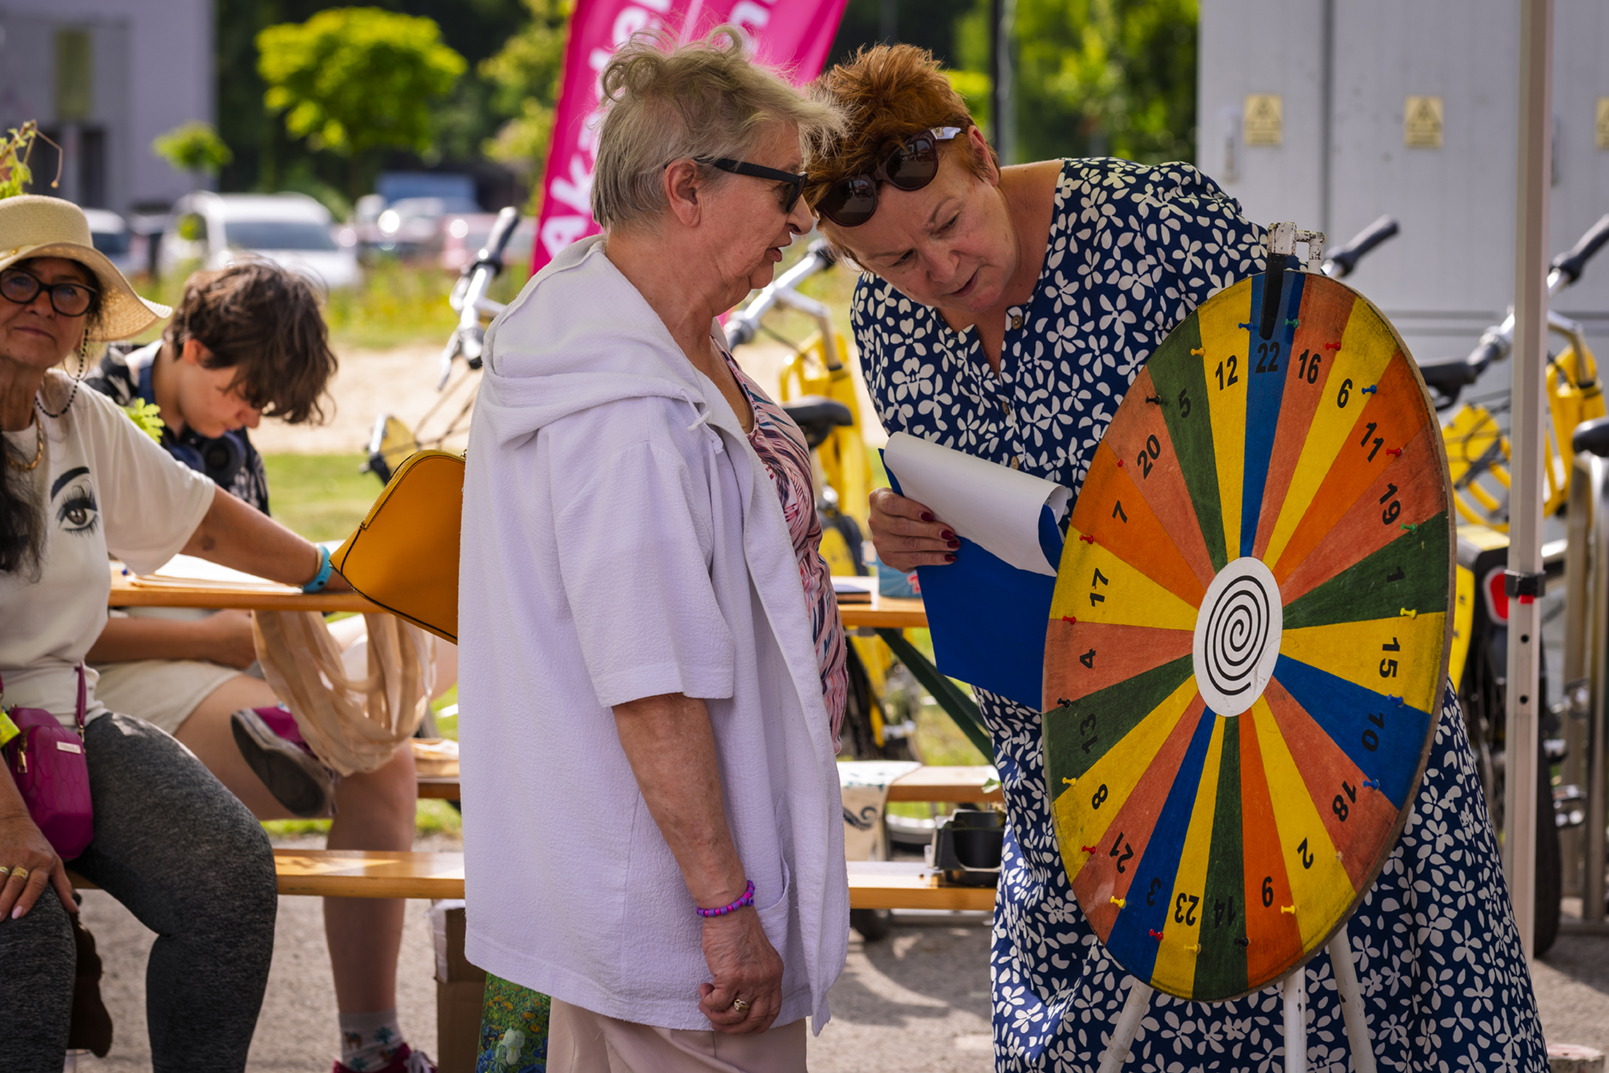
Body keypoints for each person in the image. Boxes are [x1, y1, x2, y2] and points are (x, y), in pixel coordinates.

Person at [803, 45, 1548, 1072]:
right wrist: (900, 526)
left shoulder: (1154, 229)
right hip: (1081, 758)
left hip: (1285, 726)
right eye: (893, 261)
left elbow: (1321, 426)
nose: (938, 271)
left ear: (979, 152)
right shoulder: (888, 321)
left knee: (1331, 1025)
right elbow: (952, 486)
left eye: (945, 224)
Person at [457, 31, 849, 1073]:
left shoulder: (641, 323)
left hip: (647, 881)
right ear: (685, 188)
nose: (802, 219)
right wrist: (725, 909)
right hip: (673, 915)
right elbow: (649, 683)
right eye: (785, 188)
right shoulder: (625, 412)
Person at [0, 193, 345, 1070]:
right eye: (19, 281)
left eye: (69, 290)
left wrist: (323, 569)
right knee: (24, 928)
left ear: (86, 319)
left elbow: (203, 520)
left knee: (230, 875)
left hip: (63, 723)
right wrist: (7, 816)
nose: (43, 304)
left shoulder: (74, 416)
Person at [81, 259, 441, 1073]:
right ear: (192, 346)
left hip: (223, 661)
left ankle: (373, 1042)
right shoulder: (94, 413)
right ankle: (371, 1042)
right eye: (242, 394)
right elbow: (57, 626)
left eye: (262, 410)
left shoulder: (231, 441)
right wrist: (211, 640)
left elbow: (262, 591)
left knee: (390, 738)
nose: (247, 416)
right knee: (367, 752)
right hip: (118, 681)